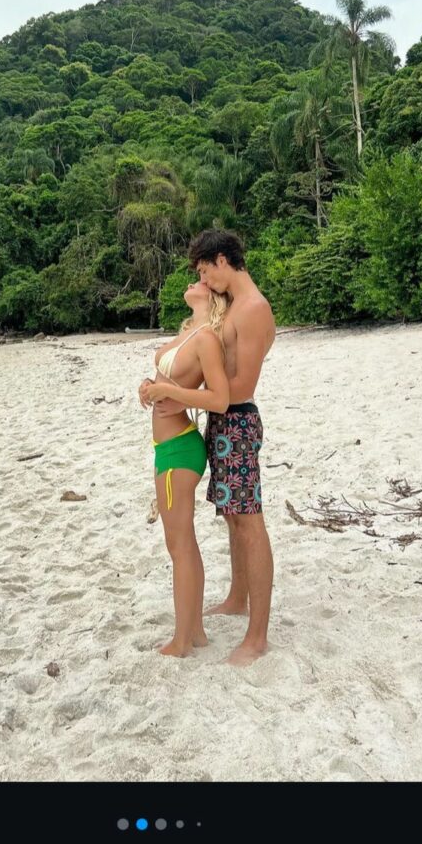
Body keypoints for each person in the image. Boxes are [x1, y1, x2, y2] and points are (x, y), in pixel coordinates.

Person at [143, 229, 276, 666]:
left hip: (236, 420)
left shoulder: (254, 309)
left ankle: (257, 636)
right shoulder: (235, 307)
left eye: (204, 271)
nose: (204, 279)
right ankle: (239, 598)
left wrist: (181, 389)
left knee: (249, 523)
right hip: (223, 421)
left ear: (222, 261)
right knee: (233, 520)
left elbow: (238, 388)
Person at [139, 282, 230, 658]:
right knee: (182, 542)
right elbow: (170, 384)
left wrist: (172, 394)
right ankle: (195, 630)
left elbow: (219, 399)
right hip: (167, 447)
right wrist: (150, 387)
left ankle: (181, 641)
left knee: (179, 545)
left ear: (212, 298)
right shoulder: (189, 331)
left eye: (201, 281)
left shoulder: (207, 338)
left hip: (180, 449)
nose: (194, 281)